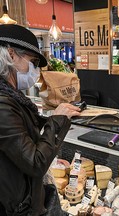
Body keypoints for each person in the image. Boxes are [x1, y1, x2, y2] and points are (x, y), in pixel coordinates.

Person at [0, 24, 81, 216]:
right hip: (18, 209)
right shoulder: (3, 104)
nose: (36, 70)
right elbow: (35, 163)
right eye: (33, 61)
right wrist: (57, 120)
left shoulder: (12, 97)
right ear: (11, 54)